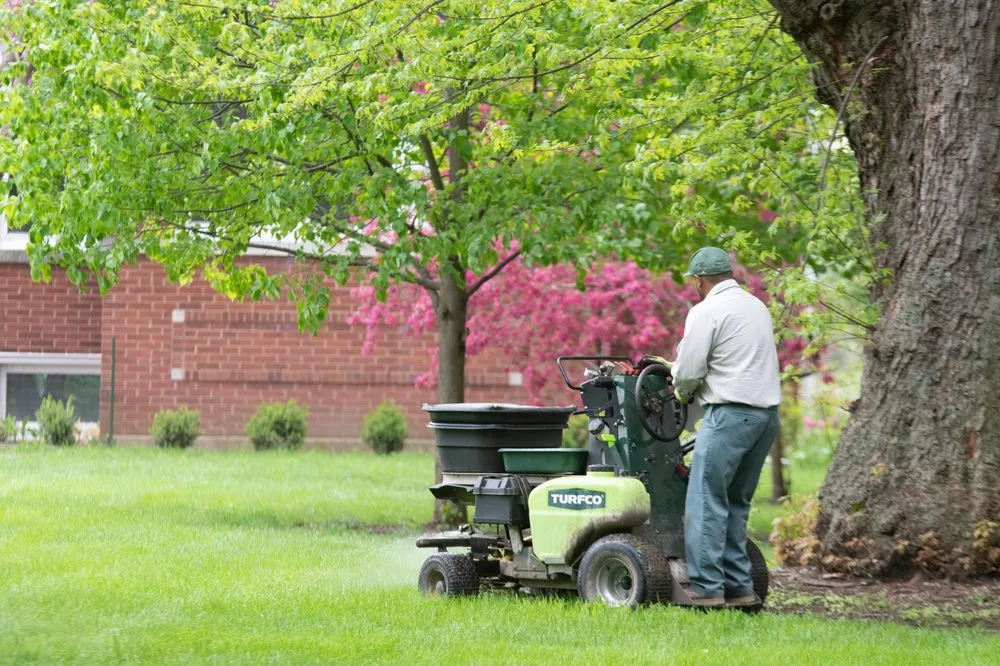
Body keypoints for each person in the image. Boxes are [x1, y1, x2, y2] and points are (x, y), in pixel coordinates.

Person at [644, 246, 780, 608]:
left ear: (699, 280)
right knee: (736, 502)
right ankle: (740, 589)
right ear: (729, 274)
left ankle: (706, 590)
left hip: (730, 416)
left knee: (705, 501)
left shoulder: (706, 311)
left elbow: (688, 371)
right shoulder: (756, 306)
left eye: (694, 282)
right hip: (766, 417)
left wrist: (682, 391)